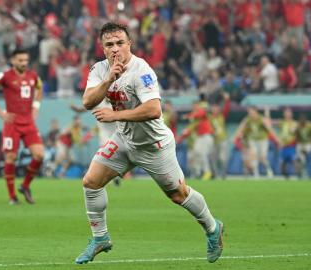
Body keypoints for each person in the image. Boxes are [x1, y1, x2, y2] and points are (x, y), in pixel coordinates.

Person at [75, 22, 223, 264]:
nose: (115, 49)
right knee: (91, 182)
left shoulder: (142, 70)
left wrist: (115, 115)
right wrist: (108, 80)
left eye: (120, 43)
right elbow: (88, 102)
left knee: (178, 195)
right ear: (102, 48)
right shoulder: (100, 70)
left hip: (154, 145)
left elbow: (154, 110)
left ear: (129, 44)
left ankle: (212, 227)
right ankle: (100, 238)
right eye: (109, 45)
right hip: (124, 140)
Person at [0, 48, 44, 205]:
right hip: (12, 123)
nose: (24, 63)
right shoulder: (5, 76)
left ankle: (25, 186)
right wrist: (0, 113)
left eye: (26, 60)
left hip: (28, 122)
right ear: (13, 61)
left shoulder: (33, 76)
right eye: (20, 60)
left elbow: (40, 87)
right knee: (11, 157)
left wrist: (36, 106)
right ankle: (12, 197)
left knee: (39, 155)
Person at [235, 107, 277, 178]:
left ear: (255, 111)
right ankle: (256, 173)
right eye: (249, 112)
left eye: (251, 112)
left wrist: (276, 138)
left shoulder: (262, 119)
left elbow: (270, 129)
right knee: (253, 156)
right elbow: (240, 128)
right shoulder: (247, 119)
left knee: (263, 157)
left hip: (262, 140)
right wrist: (236, 136)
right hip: (253, 140)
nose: (250, 114)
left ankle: (268, 169)